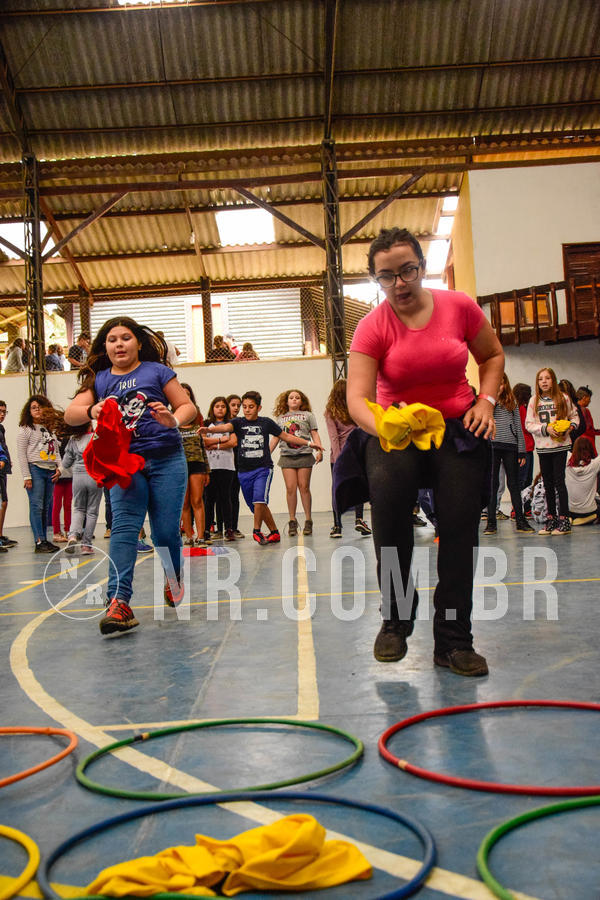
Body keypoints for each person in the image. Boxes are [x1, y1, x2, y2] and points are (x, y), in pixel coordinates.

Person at [346, 226, 504, 677]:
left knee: (459, 530)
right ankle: (396, 619)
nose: (399, 283)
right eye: (386, 276)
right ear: (376, 279)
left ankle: (453, 641)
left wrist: (485, 402)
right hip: (397, 430)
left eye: (408, 270)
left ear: (422, 266)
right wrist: (383, 425)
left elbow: (492, 356)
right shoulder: (373, 326)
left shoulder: (460, 307)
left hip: (456, 427)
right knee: (388, 517)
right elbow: (356, 399)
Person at [63, 317, 196, 635]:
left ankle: (174, 578)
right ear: (105, 347)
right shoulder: (100, 379)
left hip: (166, 458)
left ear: (137, 343)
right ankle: (118, 601)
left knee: (165, 533)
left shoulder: (157, 371)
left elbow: (187, 406)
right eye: (112, 339)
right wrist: (91, 410)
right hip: (123, 464)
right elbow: (70, 414)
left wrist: (173, 419)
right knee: (124, 528)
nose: (119, 344)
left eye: (125, 338)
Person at [201, 390, 319, 545]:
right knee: (256, 505)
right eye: (244, 407)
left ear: (259, 408)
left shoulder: (266, 423)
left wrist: (309, 443)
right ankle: (274, 532)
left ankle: (256, 530)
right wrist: (209, 429)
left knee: (259, 499)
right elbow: (225, 428)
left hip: (263, 469)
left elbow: (287, 436)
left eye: (251, 407)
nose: (247, 410)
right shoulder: (238, 422)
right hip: (244, 471)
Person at [525, 367, 579, 536]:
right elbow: (528, 424)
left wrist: (569, 427)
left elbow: (575, 417)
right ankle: (551, 519)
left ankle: (564, 520)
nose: (544, 381)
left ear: (553, 380)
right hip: (543, 447)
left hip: (560, 446)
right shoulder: (534, 400)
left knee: (559, 481)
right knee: (547, 483)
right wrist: (546, 429)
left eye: (547, 378)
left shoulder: (563, 398)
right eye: (541, 379)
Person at [483, 373, 535, 535]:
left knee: (514, 484)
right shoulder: (487, 402)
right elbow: (483, 422)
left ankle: (520, 520)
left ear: (505, 384)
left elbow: (519, 427)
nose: (499, 386)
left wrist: (522, 451)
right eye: (496, 383)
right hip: (493, 446)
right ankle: (491, 522)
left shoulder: (512, 402)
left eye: (501, 383)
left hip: (510, 446)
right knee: (493, 485)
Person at [272, 389, 324, 536]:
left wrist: (319, 450)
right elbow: (276, 438)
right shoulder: (280, 418)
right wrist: (266, 454)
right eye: (291, 397)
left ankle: (308, 520)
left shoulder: (308, 415)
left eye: (297, 397)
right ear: (286, 401)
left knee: (304, 487)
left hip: (304, 454)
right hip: (287, 455)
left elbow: (314, 433)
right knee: (290, 488)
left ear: (302, 401)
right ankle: (292, 520)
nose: (294, 399)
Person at [324, 378, 371, 538]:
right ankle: (359, 519)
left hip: (340, 456)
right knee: (360, 486)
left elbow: (334, 438)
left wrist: (338, 460)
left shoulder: (330, 411)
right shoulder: (354, 408)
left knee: (336, 490)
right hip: (356, 454)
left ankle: (337, 526)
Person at [17, 395, 61, 552]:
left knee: (45, 506)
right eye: (34, 407)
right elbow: (21, 454)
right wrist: (26, 476)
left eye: (40, 407)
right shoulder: (26, 429)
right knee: (36, 506)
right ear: (29, 411)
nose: (37, 410)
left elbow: (56, 451)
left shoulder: (49, 429)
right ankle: (39, 541)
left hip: (50, 470)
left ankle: (45, 540)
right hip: (35, 469)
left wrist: (60, 468)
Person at [58, 420, 101, 555]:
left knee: (78, 509)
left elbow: (66, 462)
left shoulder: (73, 439)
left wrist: (59, 471)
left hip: (78, 476)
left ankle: (72, 536)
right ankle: (86, 545)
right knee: (92, 512)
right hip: (94, 475)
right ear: (90, 425)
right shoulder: (96, 437)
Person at [178, 383, 210, 547]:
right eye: (181, 393)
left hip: (197, 464)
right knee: (184, 503)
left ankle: (201, 536)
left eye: (188, 394)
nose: (185, 396)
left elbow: (203, 448)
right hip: (180, 466)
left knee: (197, 500)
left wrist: (207, 471)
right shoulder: (173, 423)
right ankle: (189, 536)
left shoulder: (198, 423)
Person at [203, 396, 237, 542]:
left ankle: (229, 529)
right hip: (210, 467)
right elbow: (203, 441)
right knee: (209, 499)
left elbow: (233, 442)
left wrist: (215, 445)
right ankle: (206, 529)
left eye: (223, 406)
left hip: (226, 466)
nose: (220, 409)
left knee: (225, 498)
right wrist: (221, 439)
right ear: (212, 408)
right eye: (217, 406)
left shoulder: (231, 424)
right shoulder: (206, 424)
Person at [565, 436, 600, 525]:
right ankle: (591, 517)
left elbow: (562, 446)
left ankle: (570, 518)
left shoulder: (566, 460)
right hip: (588, 511)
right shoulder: (595, 464)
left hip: (570, 510)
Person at [512, 382, 535, 513]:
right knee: (522, 480)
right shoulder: (520, 409)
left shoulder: (522, 408)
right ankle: (517, 508)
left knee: (527, 480)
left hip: (528, 448)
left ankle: (525, 507)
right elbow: (525, 427)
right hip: (523, 448)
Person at [227, 394, 244, 539]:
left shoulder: (240, 423)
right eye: (233, 405)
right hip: (222, 463)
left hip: (237, 463)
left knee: (234, 495)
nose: (236, 408)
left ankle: (234, 527)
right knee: (220, 497)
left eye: (239, 405)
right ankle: (220, 527)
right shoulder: (223, 423)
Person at [0, 401, 17, 548]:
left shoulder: (1, 428)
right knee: (2, 502)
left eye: (4, 412)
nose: (2, 414)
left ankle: (0, 535)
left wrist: (6, 460)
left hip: (3, 469)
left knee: (4, 502)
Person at [51, 432, 73, 543]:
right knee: (57, 505)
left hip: (69, 476)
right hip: (57, 478)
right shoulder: (52, 438)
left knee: (68, 505)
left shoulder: (71, 439)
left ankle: (68, 530)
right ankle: (56, 532)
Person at [576, 386, 600, 456]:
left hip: (578, 445)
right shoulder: (584, 411)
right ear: (584, 398)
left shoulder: (573, 409)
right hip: (586, 445)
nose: (590, 401)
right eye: (589, 398)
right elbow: (588, 429)